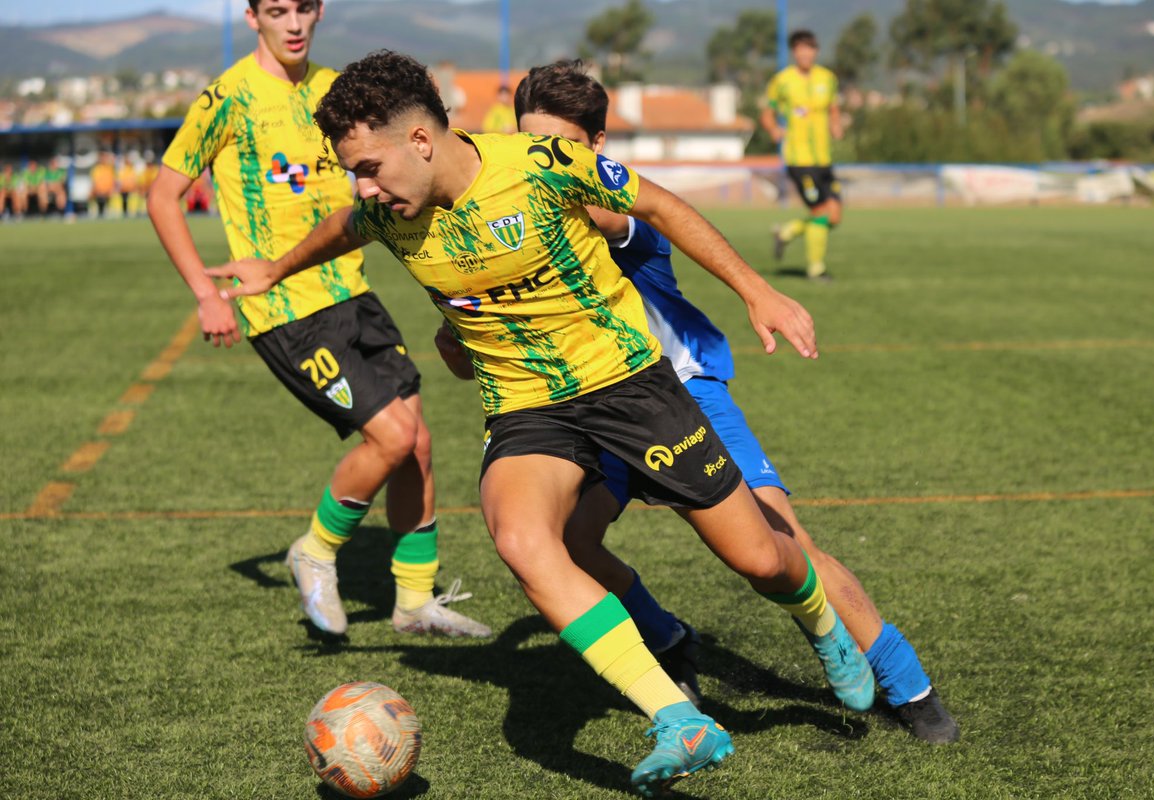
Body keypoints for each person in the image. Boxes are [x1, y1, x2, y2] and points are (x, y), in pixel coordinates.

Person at [206, 50, 875, 797]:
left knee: (761, 560)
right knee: (522, 537)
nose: (364, 188)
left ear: (421, 141)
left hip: (627, 383)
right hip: (528, 408)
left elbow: (658, 205)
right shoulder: (387, 210)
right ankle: (679, 719)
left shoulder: (542, 164)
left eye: (369, 166)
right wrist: (275, 267)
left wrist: (758, 292)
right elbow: (339, 226)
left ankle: (821, 623)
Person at [502, 60, 958, 743]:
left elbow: (623, 214)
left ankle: (906, 682)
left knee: (777, 542)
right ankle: (666, 639)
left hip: (684, 393)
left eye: (559, 148)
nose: (540, 161)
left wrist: (757, 291)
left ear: (596, 148)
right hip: (594, 406)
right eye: (528, 145)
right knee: (566, 540)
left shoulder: (616, 210)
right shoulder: (514, 221)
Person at [147, 1, 489, 640]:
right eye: (277, 10)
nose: (294, 22)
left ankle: (414, 601)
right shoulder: (226, 97)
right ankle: (316, 549)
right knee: (389, 437)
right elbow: (161, 196)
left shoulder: (336, 93)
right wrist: (206, 293)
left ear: (320, 10)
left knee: (415, 442)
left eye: (304, 7)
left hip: (351, 291)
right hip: (284, 307)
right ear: (253, 18)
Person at [761, 29, 843, 281]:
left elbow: (833, 108)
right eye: (800, 49)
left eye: (810, 48)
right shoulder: (782, 81)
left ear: (816, 51)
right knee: (820, 212)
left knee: (834, 215)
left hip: (823, 158)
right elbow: (767, 112)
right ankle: (816, 269)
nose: (806, 53)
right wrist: (774, 129)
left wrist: (836, 124)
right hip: (799, 160)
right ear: (794, 52)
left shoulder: (827, 78)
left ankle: (786, 233)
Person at [91, 153, 116, 218]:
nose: (104, 159)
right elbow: (95, 182)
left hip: (108, 193)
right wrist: (97, 191)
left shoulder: (110, 168)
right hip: (99, 193)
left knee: (108, 212)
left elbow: (113, 180)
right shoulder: (96, 169)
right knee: (100, 212)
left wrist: (111, 190)